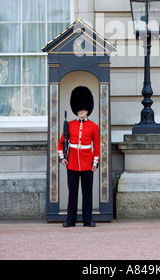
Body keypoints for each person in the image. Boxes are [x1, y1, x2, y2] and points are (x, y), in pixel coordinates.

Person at [58, 86, 100, 227]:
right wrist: (62, 157)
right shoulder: (69, 125)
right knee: (73, 193)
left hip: (87, 162)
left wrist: (95, 162)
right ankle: (71, 219)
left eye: (84, 109)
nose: (81, 111)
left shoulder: (93, 126)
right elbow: (61, 142)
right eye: (79, 109)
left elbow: (97, 146)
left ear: (88, 109)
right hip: (72, 162)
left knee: (87, 192)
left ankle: (87, 219)